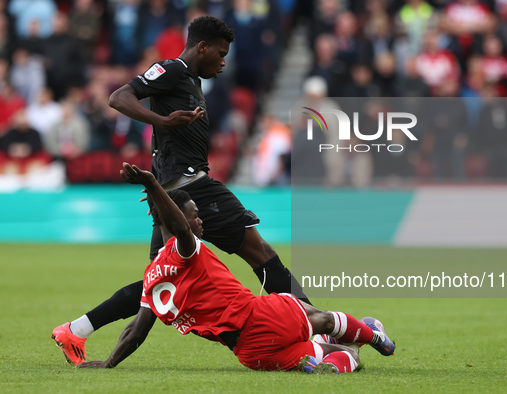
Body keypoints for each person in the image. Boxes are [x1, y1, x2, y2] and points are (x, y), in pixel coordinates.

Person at [52, 16, 310, 366]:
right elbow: (119, 97)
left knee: (156, 286)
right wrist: (161, 122)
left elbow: (168, 145)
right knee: (260, 253)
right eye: (219, 54)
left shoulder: (187, 79)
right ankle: (318, 329)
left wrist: (158, 190)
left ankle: (76, 330)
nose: (222, 63)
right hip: (194, 190)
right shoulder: (172, 70)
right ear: (201, 47)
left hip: (173, 193)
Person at [74, 163, 395, 374]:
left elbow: (136, 331)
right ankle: (376, 338)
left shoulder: (151, 281)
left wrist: (108, 364)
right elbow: (180, 230)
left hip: (249, 353)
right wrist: (152, 183)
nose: (200, 221)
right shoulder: (185, 250)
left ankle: (336, 358)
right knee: (321, 319)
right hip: (262, 317)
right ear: (177, 220)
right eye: (194, 214)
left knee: (325, 352)